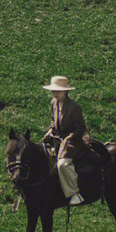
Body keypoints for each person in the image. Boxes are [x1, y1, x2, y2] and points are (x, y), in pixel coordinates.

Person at [42, 74, 87, 205]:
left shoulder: (74, 107)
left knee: (63, 164)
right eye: (53, 90)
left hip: (72, 141)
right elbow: (53, 122)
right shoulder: (53, 103)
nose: (55, 93)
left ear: (65, 91)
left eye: (58, 90)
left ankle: (74, 193)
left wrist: (70, 137)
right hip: (57, 139)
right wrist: (50, 131)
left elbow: (81, 128)